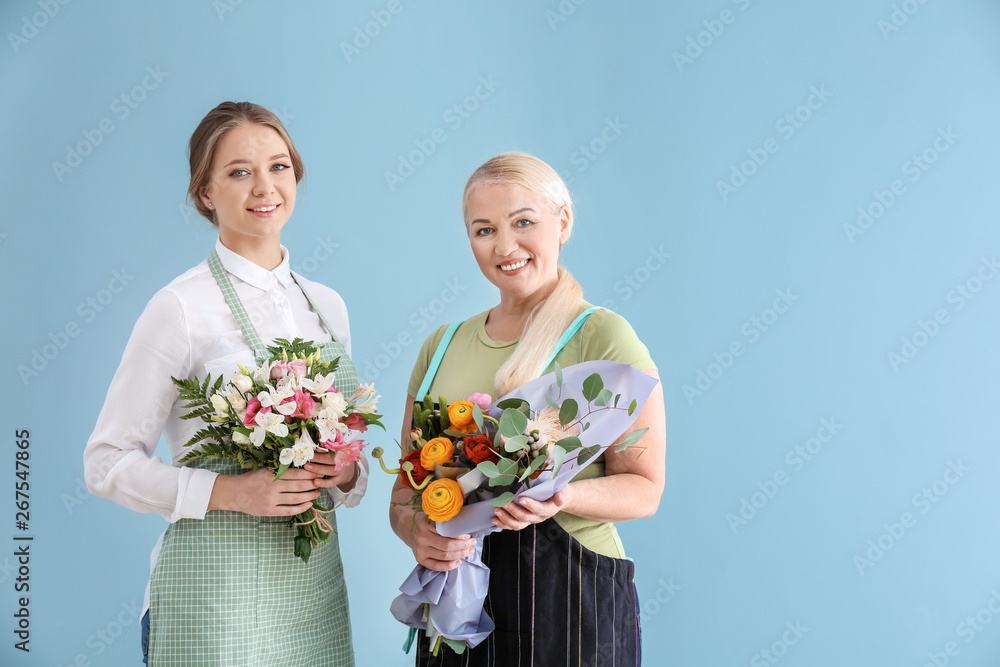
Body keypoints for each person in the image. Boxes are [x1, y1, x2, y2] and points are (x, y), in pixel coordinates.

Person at [84, 101, 367, 666]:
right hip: (211, 603)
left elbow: (350, 462)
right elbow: (105, 463)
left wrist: (344, 470)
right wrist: (231, 492)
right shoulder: (180, 308)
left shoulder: (327, 305)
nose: (265, 186)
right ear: (206, 192)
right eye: (239, 171)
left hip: (311, 598)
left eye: (279, 166)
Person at [389, 152, 667, 666]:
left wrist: (559, 496)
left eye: (523, 222)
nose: (505, 245)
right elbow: (405, 493)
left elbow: (645, 487)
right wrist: (420, 536)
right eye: (484, 229)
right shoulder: (440, 346)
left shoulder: (603, 335)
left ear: (562, 222)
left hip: (572, 599)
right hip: (457, 599)